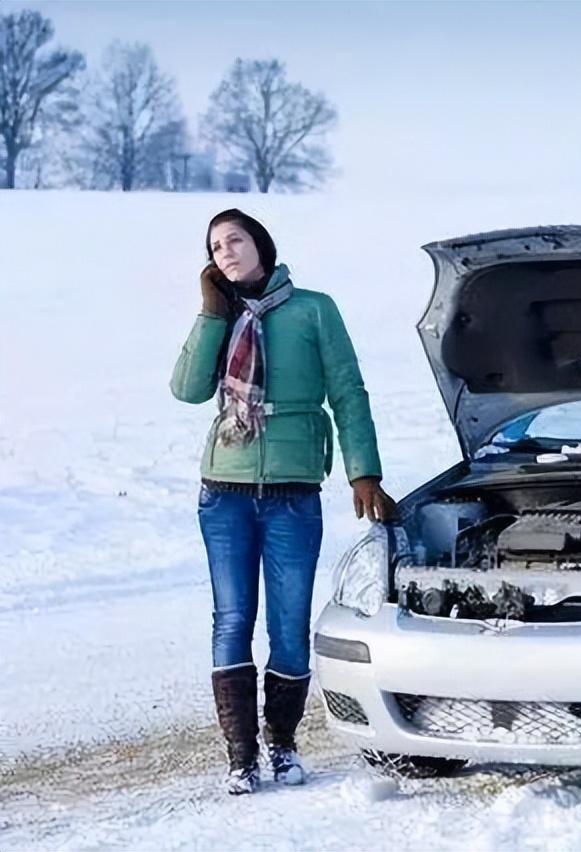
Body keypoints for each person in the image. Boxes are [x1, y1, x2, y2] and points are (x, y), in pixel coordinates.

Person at [170, 209, 396, 795]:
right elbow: (189, 390)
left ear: (260, 244)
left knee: (290, 626)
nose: (226, 252)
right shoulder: (221, 315)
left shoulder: (313, 309)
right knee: (231, 620)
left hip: (293, 492)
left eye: (235, 240)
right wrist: (210, 313)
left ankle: (284, 744)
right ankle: (240, 757)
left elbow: (348, 390)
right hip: (223, 490)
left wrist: (363, 471)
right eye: (215, 247)